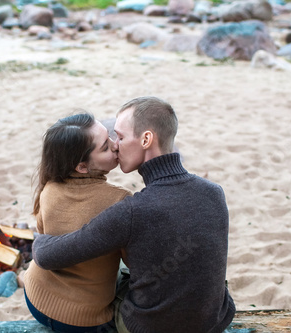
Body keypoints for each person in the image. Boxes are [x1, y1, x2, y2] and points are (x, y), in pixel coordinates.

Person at [33, 96, 236, 333]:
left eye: (119, 136)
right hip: (214, 320)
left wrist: (38, 239)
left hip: (149, 327)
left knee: (118, 274)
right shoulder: (214, 192)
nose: (116, 145)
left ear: (146, 139)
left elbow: (47, 256)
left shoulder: (131, 210)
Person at [24, 113, 131, 333]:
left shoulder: (49, 188)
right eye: (105, 147)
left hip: (35, 298)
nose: (115, 146)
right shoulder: (120, 201)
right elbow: (133, 260)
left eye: (111, 137)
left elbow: (44, 234)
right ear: (82, 167)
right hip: (84, 321)